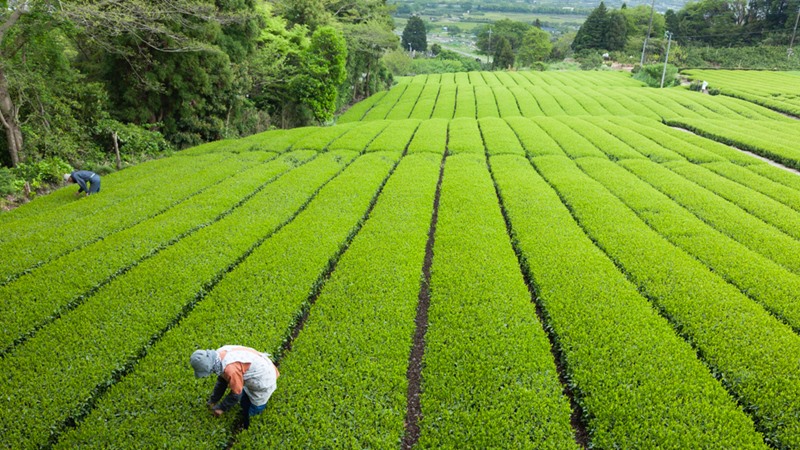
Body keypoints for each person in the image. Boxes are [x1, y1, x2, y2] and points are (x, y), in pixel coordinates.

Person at [190, 345, 280, 429]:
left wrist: (221, 408)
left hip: (264, 378)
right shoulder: (219, 355)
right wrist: (213, 400)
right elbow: (222, 381)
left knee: (253, 408)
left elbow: (236, 394)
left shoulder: (230, 370)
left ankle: (251, 419)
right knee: (244, 398)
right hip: (258, 367)